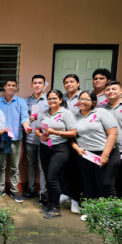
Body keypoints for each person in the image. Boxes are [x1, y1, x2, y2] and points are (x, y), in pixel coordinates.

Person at [72, 91, 119, 222]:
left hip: (105, 153)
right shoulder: (74, 116)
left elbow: (113, 134)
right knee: (89, 184)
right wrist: (76, 148)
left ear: (93, 102)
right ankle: (92, 212)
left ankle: (111, 215)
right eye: (81, 99)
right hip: (86, 155)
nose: (82, 101)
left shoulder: (102, 113)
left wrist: (105, 154)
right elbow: (70, 136)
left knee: (105, 184)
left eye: (86, 99)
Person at [36, 90, 77, 219]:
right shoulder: (44, 113)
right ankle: (50, 204)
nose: (52, 101)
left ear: (60, 100)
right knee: (48, 177)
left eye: (54, 98)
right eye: (49, 98)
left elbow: (73, 133)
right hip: (45, 148)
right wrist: (40, 135)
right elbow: (38, 129)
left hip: (60, 149)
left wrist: (55, 132)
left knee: (52, 177)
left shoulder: (66, 113)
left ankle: (56, 209)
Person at [0, 79, 31, 203]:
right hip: (1, 139)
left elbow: (25, 117)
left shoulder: (21, 102)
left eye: (13, 86)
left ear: (16, 88)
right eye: (9, 85)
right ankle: (0, 189)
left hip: (16, 139)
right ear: (4, 87)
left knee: (14, 167)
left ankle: (14, 190)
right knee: (1, 166)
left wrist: (27, 127)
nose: (11, 87)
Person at [24, 75, 48, 203]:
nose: (37, 85)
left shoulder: (49, 99)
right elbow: (23, 117)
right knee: (31, 165)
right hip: (30, 138)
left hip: (44, 139)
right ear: (31, 85)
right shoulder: (27, 101)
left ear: (44, 84)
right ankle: (31, 189)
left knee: (43, 166)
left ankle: (43, 193)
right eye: (35, 83)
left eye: (40, 83)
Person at [60, 74, 83, 214]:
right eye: (66, 82)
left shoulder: (83, 97)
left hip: (78, 138)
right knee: (64, 168)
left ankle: (75, 200)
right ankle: (66, 193)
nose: (69, 84)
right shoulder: (62, 97)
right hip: (63, 138)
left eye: (72, 82)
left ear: (78, 83)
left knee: (76, 170)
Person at [98, 81, 122, 197]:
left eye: (114, 89)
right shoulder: (101, 109)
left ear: (120, 91)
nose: (110, 91)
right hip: (108, 151)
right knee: (107, 183)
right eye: (107, 90)